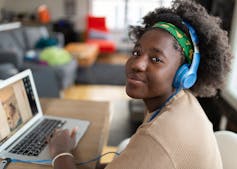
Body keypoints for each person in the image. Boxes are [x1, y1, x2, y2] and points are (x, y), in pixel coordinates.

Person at [48, 0, 232, 168]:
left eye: (156, 59)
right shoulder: (182, 102)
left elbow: (155, 148)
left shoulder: (159, 136)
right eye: (137, 53)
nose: (137, 64)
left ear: (184, 74)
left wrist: (60, 151)